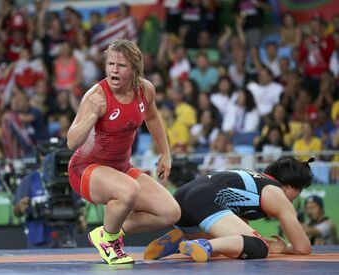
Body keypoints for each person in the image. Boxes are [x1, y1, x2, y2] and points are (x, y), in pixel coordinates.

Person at [67, 39, 180, 265]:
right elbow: (71, 142)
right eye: (110, 64)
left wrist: (165, 153)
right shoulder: (96, 96)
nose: (113, 71)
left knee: (170, 212)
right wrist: (92, 115)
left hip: (121, 169)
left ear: (135, 68)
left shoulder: (145, 89)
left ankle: (107, 233)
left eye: (121, 66)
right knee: (130, 190)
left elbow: (153, 118)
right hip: (85, 169)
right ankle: (108, 241)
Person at [144, 156, 313, 262]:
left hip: (182, 199)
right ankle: (204, 244)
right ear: (292, 187)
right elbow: (303, 248)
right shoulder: (276, 192)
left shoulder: (253, 181)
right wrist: (284, 248)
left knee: (232, 246)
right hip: (206, 200)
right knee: (259, 247)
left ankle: (181, 241)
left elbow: (238, 237)